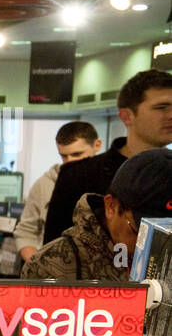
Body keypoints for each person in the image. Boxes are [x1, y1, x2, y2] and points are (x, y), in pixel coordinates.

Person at [43, 69, 172, 244]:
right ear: (126, 116)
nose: (170, 115)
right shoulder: (78, 176)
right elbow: (54, 252)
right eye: (161, 108)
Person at [21, 148, 172, 282]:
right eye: (141, 232)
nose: (153, 246)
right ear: (111, 207)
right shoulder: (51, 265)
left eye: (166, 236)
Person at [15, 122, 101, 263]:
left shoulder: (111, 180)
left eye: (77, 154)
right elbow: (26, 230)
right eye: (64, 156)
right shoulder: (45, 184)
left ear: (97, 145)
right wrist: (38, 266)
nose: (70, 161)